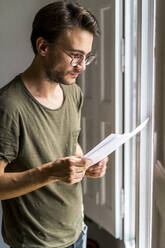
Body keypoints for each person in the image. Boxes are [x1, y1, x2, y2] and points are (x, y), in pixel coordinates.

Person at [0, 1, 108, 248]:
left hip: (76, 232)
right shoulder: (8, 106)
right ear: (43, 46)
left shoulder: (73, 93)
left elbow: (68, 143)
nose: (81, 66)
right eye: (75, 56)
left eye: (86, 57)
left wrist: (86, 161)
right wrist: (49, 172)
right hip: (35, 242)